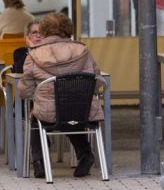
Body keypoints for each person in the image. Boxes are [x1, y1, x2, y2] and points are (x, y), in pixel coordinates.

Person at [19, 13, 105, 179]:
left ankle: (40, 162)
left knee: (36, 117)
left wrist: (40, 94)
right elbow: (97, 82)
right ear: (68, 29)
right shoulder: (83, 51)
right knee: (71, 112)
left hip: (48, 113)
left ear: (44, 31)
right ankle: (85, 154)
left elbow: (25, 91)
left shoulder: (34, 55)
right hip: (82, 111)